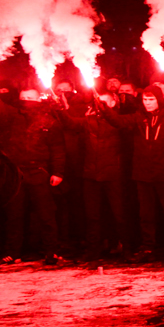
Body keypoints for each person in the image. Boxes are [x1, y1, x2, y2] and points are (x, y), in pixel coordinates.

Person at [99, 85, 164, 263]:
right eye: (145, 100)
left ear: (159, 100)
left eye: (151, 99)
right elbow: (119, 122)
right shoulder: (139, 117)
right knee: (146, 214)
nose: (147, 103)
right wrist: (105, 110)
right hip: (143, 173)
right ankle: (148, 247)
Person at [0, 88, 66, 265]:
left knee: (46, 214)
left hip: (38, 171)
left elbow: (57, 149)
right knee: (14, 215)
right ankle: (13, 252)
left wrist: (58, 172)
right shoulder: (11, 116)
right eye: (23, 98)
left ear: (38, 99)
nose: (26, 101)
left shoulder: (49, 120)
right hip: (16, 174)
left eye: (30, 98)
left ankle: (51, 251)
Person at [56, 86, 127, 262]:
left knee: (119, 214)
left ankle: (127, 248)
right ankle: (93, 251)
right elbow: (71, 123)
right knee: (92, 215)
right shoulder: (89, 120)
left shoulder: (120, 121)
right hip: (91, 174)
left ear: (113, 102)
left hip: (113, 174)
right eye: (98, 102)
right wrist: (61, 110)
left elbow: (120, 125)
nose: (100, 105)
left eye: (104, 102)